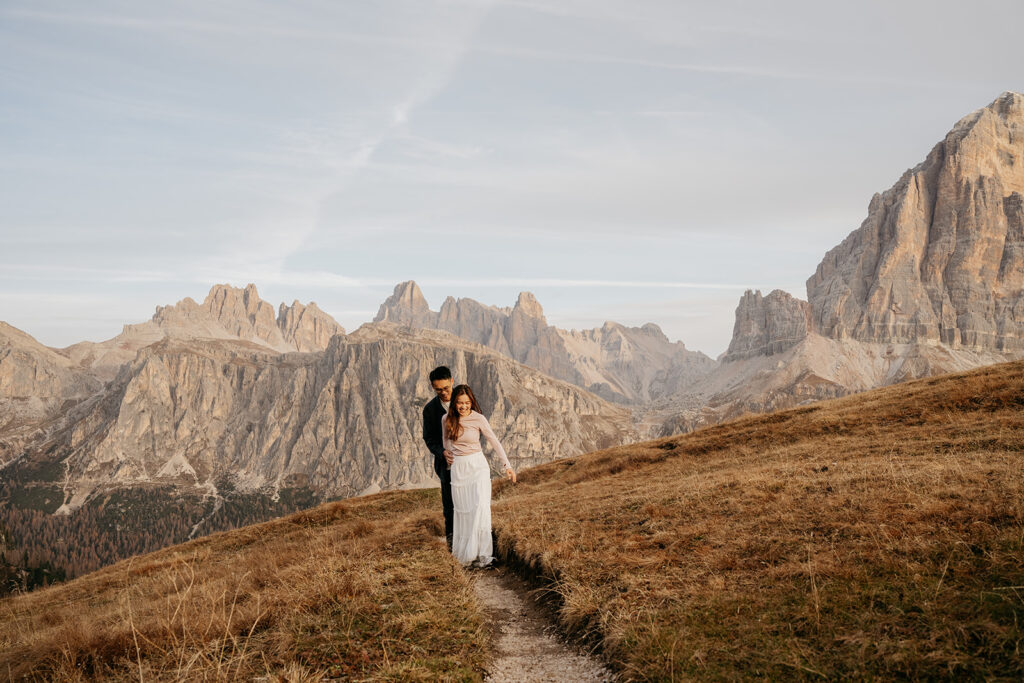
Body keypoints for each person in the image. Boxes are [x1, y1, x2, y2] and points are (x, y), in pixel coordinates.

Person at [442, 384, 516, 568]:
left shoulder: (478, 419)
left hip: (478, 466)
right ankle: (467, 554)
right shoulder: (446, 419)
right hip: (459, 469)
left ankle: (484, 556)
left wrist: (507, 465)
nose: (464, 406)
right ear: (454, 403)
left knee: (480, 507)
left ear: (471, 402)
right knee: (464, 511)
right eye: (460, 403)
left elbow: (494, 441)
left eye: (467, 402)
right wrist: (447, 456)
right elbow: (446, 444)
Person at [423, 366, 455, 550]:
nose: (443, 393)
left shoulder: (465, 402)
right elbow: (429, 438)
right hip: (446, 467)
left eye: (446, 388)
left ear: (452, 381)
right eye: (438, 390)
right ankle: (452, 547)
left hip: (468, 463)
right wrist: (442, 452)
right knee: (449, 509)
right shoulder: (429, 410)